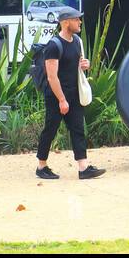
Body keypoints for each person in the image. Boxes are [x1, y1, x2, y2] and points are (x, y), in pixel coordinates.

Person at [35, 12, 105, 180]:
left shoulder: (77, 42)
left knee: (78, 129)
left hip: (74, 94)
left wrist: (85, 64)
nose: (79, 21)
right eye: (76, 19)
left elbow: (77, 65)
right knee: (50, 129)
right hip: (55, 95)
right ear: (66, 23)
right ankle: (41, 166)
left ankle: (83, 168)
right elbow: (52, 76)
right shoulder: (54, 45)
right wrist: (61, 99)